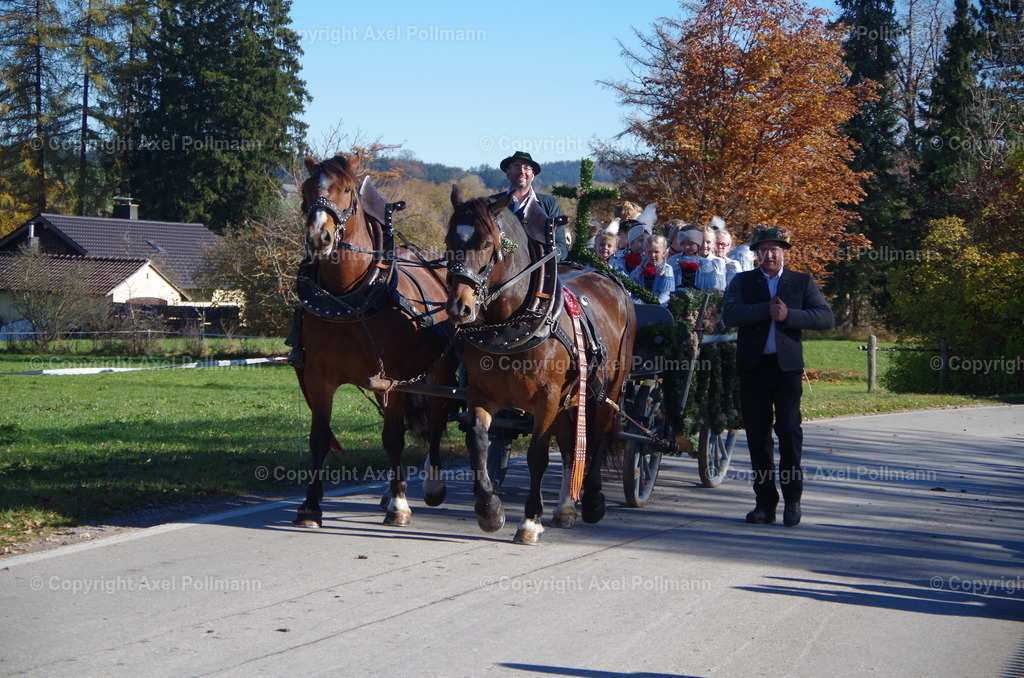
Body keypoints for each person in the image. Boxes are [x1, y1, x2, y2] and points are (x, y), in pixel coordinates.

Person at [722, 225, 834, 527]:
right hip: (753, 369)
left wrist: (789, 316)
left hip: (786, 371)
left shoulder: (802, 282)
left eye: (776, 249)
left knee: (789, 433)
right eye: (764, 249)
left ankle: (793, 500)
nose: (770, 254)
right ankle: (764, 503)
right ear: (756, 254)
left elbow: (825, 318)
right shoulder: (743, 281)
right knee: (758, 439)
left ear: (784, 252)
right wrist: (764, 310)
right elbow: (729, 315)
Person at [492, 151, 568, 261]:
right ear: (508, 173)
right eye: (516, 167)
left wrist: (552, 256)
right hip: (499, 272)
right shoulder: (492, 203)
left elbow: (561, 244)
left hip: (541, 272)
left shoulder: (550, 204)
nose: (522, 172)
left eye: (527, 168)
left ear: (532, 175)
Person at [629, 234, 675, 305]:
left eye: (656, 252)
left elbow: (665, 293)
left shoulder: (666, 269)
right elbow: (633, 290)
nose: (652, 255)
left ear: (664, 253)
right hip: (640, 303)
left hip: (660, 304)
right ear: (645, 252)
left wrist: (656, 304)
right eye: (649, 252)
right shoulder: (639, 269)